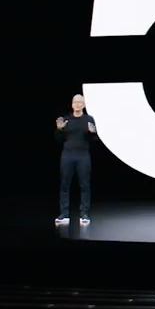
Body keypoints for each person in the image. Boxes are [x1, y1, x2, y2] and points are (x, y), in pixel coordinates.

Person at [54, 94, 97, 225]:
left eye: (80, 102)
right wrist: (59, 130)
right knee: (64, 185)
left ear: (83, 105)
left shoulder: (88, 119)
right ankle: (64, 214)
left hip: (83, 156)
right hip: (67, 155)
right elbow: (59, 139)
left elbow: (94, 139)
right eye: (75, 102)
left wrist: (92, 133)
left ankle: (84, 214)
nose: (77, 104)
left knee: (84, 185)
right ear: (72, 104)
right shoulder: (66, 120)